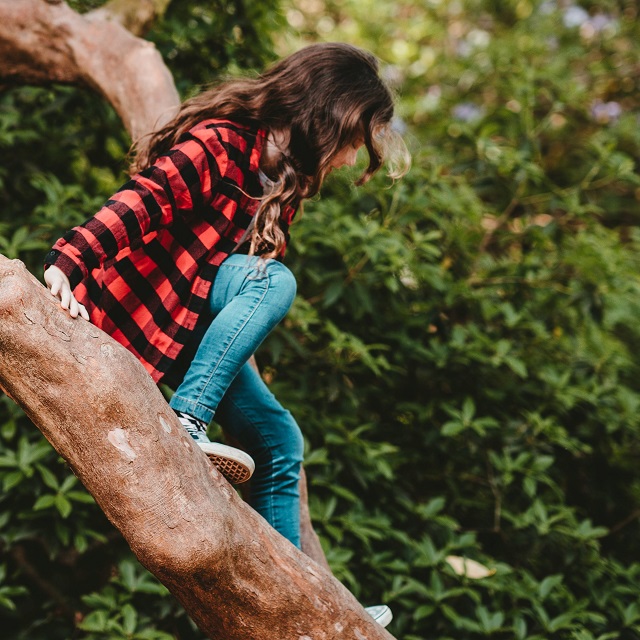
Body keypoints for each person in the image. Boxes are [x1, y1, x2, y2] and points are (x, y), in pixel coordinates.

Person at [44, 42, 408, 627]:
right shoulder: (221, 142)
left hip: (196, 322)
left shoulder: (284, 182)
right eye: (352, 142)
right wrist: (69, 262)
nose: (346, 161)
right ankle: (189, 419)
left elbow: (232, 280)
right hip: (151, 309)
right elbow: (142, 202)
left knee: (278, 442)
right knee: (274, 282)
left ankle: (304, 607)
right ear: (326, 116)